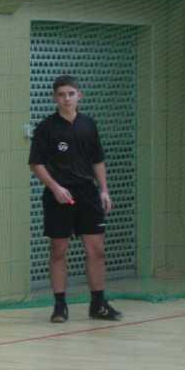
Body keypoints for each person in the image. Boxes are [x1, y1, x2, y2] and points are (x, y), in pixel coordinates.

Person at [28, 75, 121, 324]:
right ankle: (60, 306)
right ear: (54, 98)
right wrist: (55, 187)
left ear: (79, 95)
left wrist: (104, 189)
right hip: (59, 195)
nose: (66, 98)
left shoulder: (89, 124)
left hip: (87, 194)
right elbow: (35, 164)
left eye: (70, 93)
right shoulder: (46, 128)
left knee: (97, 250)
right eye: (61, 94)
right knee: (58, 251)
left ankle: (98, 304)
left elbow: (97, 160)